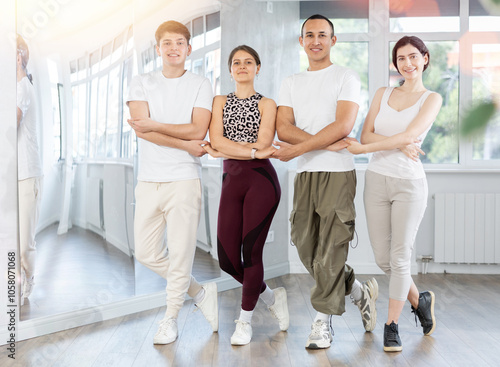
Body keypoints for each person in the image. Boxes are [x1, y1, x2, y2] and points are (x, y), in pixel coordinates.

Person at [273, 14, 378, 349]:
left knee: (332, 248)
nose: (315, 40)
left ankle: (322, 321)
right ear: (301, 41)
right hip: (303, 172)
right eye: (309, 35)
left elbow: (343, 124)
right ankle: (360, 291)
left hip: (337, 171)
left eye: (322, 34)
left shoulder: (346, 76)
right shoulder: (290, 81)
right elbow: (283, 128)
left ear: (334, 41)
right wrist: (316, 145)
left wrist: (300, 148)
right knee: (306, 246)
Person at [346, 36, 442, 352]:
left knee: (400, 258)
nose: (408, 63)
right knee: (383, 258)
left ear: (425, 58)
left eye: (413, 57)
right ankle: (421, 300)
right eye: (401, 58)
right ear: (395, 63)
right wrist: (398, 143)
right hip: (376, 180)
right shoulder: (383, 93)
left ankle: (392, 326)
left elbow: (410, 134)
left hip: (409, 185)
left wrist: (370, 147)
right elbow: (366, 132)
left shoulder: (432, 98)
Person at [127, 20, 218, 345]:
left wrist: (155, 125)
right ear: (158, 49)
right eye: (167, 43)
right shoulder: (141, 82)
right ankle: (199, 291)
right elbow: (141, 129)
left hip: (183, 178)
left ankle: (170, 318)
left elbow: (197, 130)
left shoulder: (200, 83)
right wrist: (181, 142)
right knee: (147, 253)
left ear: (188, 48)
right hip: (149, 180)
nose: (173, 48)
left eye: (179, 42)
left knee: (180, 254)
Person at [203, 45, 288, 346]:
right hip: (232, 181)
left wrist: (226, 149)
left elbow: (264, 143)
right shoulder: (218, 102)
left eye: (248, 62)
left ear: (257, 68)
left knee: (251, 254)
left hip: (262, 181)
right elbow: (215, 139)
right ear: (229, 70)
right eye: (236, 62)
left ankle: (245, 321)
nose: (242, 66)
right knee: (227, 259)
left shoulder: (268, 104)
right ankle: (270, 296)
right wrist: (250, 150)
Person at [17, 35, 43, 306]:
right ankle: (15, 285)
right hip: (11, 176)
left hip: (27, 174)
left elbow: (10, 124)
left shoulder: (23, 87)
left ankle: (30, 278)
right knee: (11, 239)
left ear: (17, 57)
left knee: (25, 244)